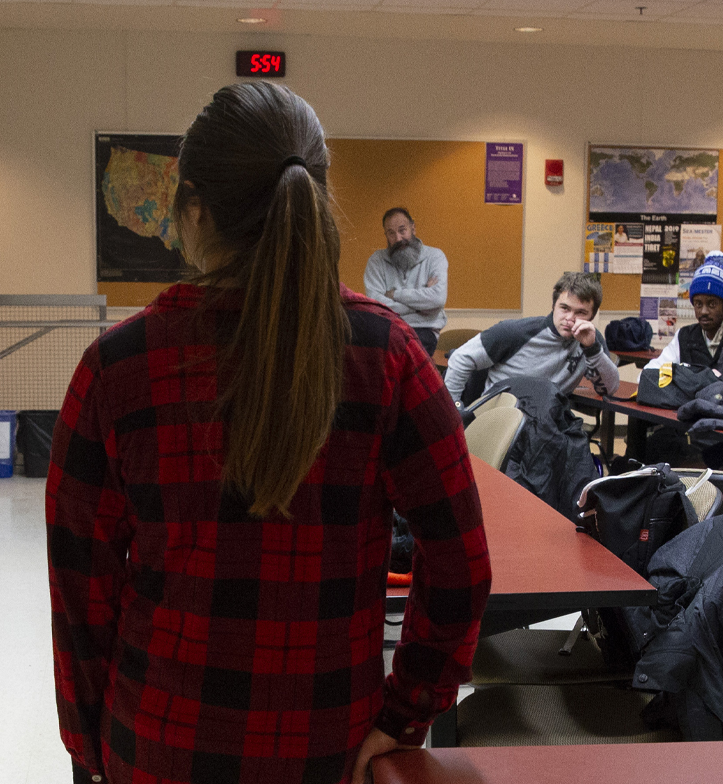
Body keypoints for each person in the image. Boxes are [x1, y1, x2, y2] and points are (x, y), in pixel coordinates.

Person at [47, 82, 491, 784]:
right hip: (329, 746)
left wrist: (87, 747)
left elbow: (82, 587)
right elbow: (461, 563)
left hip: (160, 741)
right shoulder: (388, 355)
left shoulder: (118, 367)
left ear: (194, 208)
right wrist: (406, 715)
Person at [444, 271, 619, 407]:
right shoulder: (515, 332)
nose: (570, 318)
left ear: (592, 316)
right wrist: (454, 408)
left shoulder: (590, 340)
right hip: (499, 417)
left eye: (580, 312)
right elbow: (460, 358)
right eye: (564, 308)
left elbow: (609, 389)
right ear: (553, 306)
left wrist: (593, 350)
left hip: (544, 421)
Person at [363, 207, 448, 356]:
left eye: (402, 230)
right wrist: (420, 306)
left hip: (423, 330)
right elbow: (375, 304)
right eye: (391, 233)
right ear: (386, 235)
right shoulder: (377, 261)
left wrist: (394, 294)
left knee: (403, 358)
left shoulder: (435, 257)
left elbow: (437, 298)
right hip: (388, 327)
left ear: (413, 228)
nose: (398, 238)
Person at [644, 251, 723, 373]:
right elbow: (650, 372)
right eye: (698, 304)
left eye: (712, 304)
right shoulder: (685, 336)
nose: (704, 311)